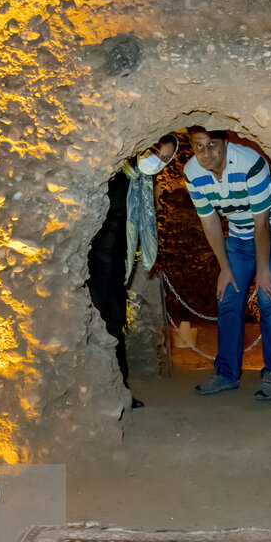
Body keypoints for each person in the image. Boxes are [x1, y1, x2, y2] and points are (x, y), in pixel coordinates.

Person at [183, 127, 271, 401]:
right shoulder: (192, 173)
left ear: (225, 142)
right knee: (228, 298)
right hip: (239, 232)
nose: (206, 153)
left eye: (212, 144)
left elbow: (262, 222)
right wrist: (225, 268)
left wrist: (264, 272)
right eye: (199, 146)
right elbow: (209, 221)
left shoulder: (250, 163)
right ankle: (226, 373)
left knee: (269, 299)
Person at [88, 135, 177, 409]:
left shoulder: (140, 182)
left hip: (115, 262)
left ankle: (118, 389)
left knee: (115, 322)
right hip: (94, 260)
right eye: (157, 152)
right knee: (103, 321)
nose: (158, 161)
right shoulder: (114, 172)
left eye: (165, 159)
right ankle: (106, 391)